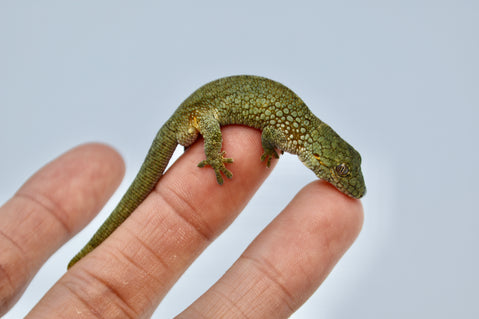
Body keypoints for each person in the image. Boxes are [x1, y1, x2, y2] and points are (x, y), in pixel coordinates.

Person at [0, 127, 363, 318]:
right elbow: (269, 134)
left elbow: (270, 134)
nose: (346, 180)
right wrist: (220, 154)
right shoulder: (292, 131)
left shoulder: (295, 133)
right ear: (319, 155)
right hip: (197, 116)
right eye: (341, 172)